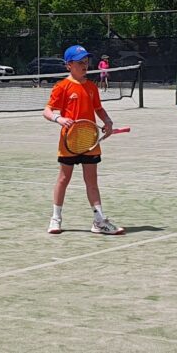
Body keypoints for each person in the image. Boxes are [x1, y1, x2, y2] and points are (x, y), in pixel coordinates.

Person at [43, 44, 124, 236]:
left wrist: (108, 121)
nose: (84, 65)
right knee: (63, 179)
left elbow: (99, 109)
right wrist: (59, 118)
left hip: (90, 142)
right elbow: (47, 111)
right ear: (69, 65)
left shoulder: (91, 87)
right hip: (69, 142)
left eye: (86, 62)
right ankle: (56, 218)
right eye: (80, 62)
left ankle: (99, 221)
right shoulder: (62, 87)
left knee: (92, 182)